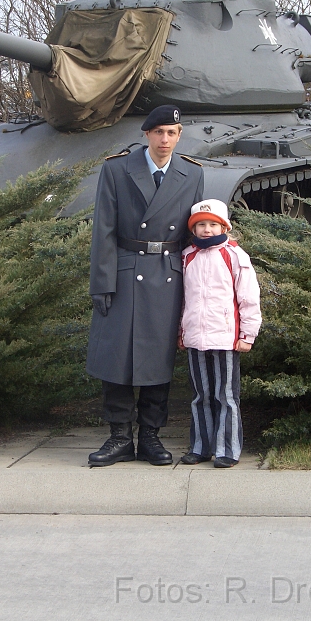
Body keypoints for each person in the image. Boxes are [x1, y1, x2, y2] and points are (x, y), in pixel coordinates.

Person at [86, 105, 204, 467]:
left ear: (179, 135)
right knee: (116, 357)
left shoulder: (192, 173)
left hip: (168, 273)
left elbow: (195, 231)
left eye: (172, 132)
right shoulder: (117, 169)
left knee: (157, 359)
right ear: (146, 134)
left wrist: (200, 286)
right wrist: (101, 284)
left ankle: (150, 436)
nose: (165, 140)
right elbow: (103, 229)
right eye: (158, 133)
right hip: (123, 270)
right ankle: (119, 436)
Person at [179, 199, 261, 468]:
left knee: (225, 396)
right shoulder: (187, 255)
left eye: (213, 224)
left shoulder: (234, 255)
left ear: (224, 226)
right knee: (200, 395)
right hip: (195, 338)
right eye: (201, 225)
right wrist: (181, 330)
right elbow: (182, 298)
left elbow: (248, 297)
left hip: (226, 338)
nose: (207, 230)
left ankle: (228, 449)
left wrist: (247, 334)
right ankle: (201, 446)